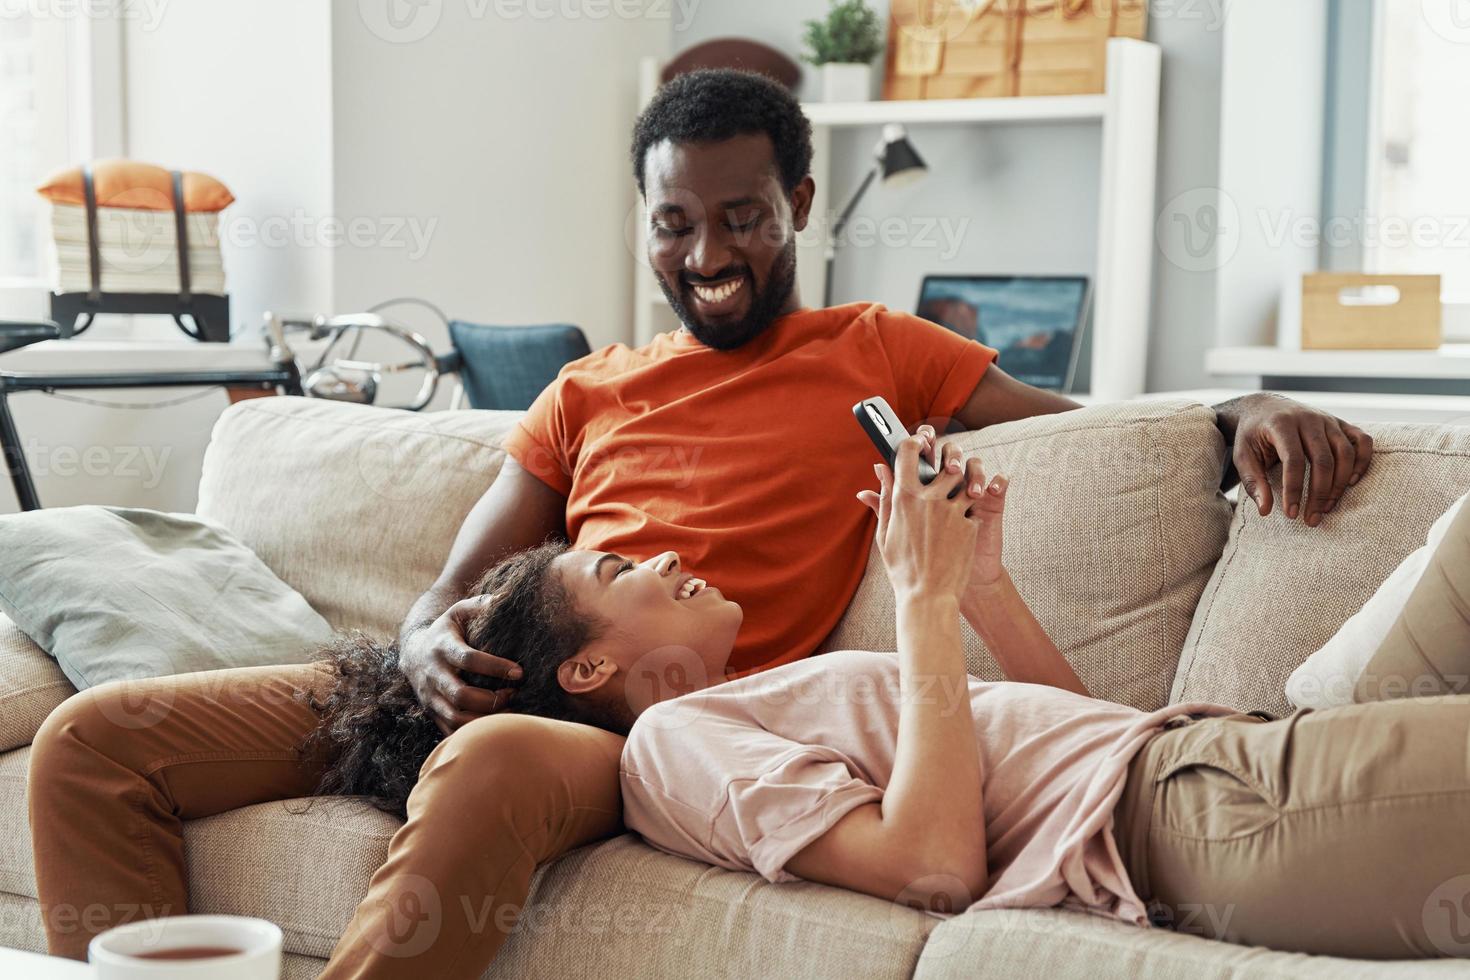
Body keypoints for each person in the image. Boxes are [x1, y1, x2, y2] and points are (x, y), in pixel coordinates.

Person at [28, 68, 1377, 975]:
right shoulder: (587, 388)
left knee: (495, 761)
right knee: (93, 743)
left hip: (638, 727)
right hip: (488, 675)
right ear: (647, 225)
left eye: (740, 217)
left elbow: (1089, 421)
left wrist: (1242, 405)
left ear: (796, 205)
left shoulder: (877, 351)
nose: (708, 254)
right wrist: (432, 641)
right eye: (676, 223)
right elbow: (455, 582)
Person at [305, 436, 1470, 961]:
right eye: (620, 574)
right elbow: (933, 868)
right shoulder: (673, 745)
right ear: (592, 670)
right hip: (1207, 816)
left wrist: (988, 587)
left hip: (1214, 748)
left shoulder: (761, 697)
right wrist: (919, 599)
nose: (660, 558)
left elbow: (1082, 737)